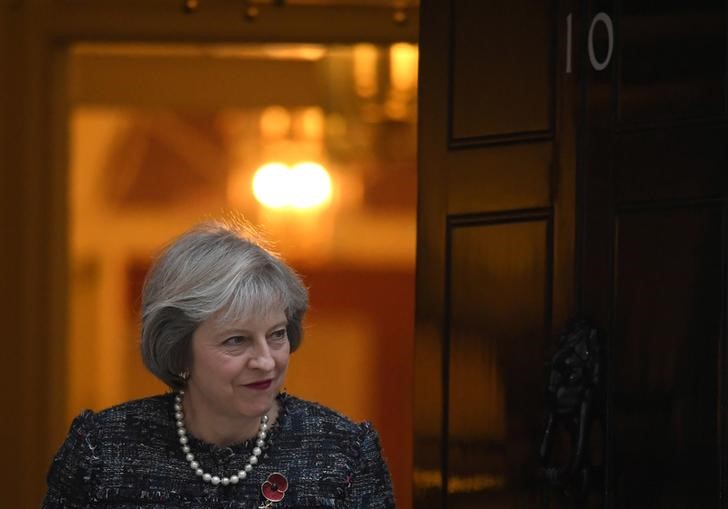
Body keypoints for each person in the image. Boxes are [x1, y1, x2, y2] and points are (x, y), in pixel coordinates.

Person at [42, 221, 395, 508]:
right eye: (236, 340)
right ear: (180, 351)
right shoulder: (101, 451)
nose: (265, 360)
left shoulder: (343, 452)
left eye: (276, 334)